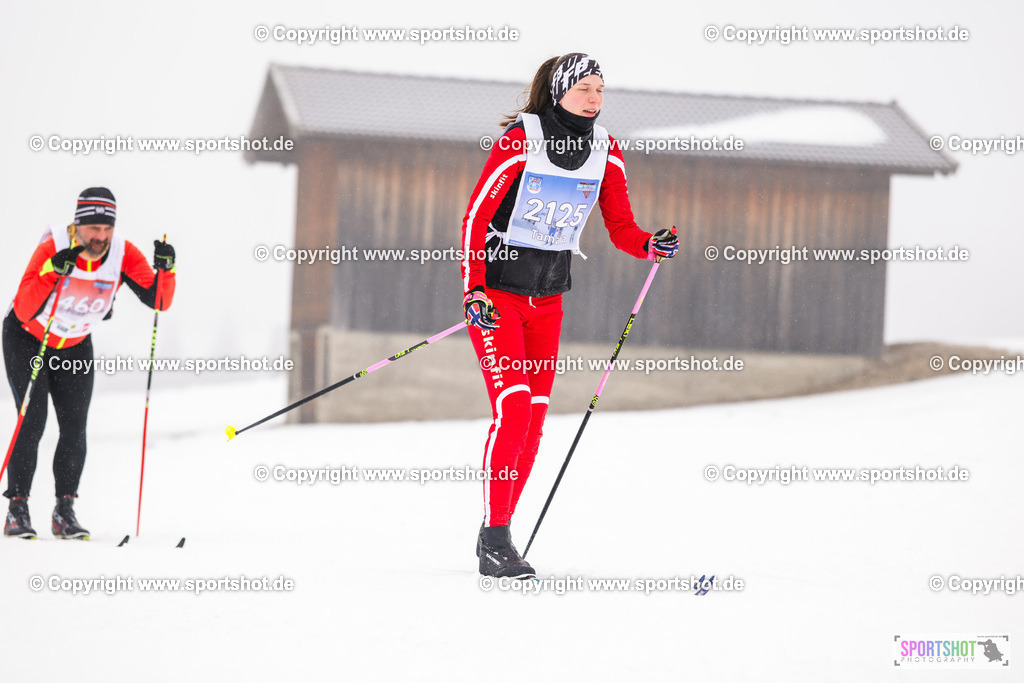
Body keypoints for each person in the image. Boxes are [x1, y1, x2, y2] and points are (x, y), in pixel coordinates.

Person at [461, 54, 678, 577]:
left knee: (533, 421)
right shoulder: (523, 139)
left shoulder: (605, 150)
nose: (594, 98)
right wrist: (473, 290)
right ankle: (495, 538)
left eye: (601, 89)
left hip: (549, 303)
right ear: (560, 91)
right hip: (499, 301)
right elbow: (476, 215)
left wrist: (650, 244)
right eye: (584, 87)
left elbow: (620, 226)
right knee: (512, 408)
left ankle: (499, 528)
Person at [3, 187, 176, 540]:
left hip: (75, 345)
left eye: (106, 229)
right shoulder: (53, 245)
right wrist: (53, 270)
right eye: (93, 229)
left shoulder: (122, 253)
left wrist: (167, 271)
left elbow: (157, 300)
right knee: (32, 420)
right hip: (29, 339)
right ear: (77, 224)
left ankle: (64, 511)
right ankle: (17, 509)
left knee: (74, 426)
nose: (100, 237)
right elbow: (23, 308)